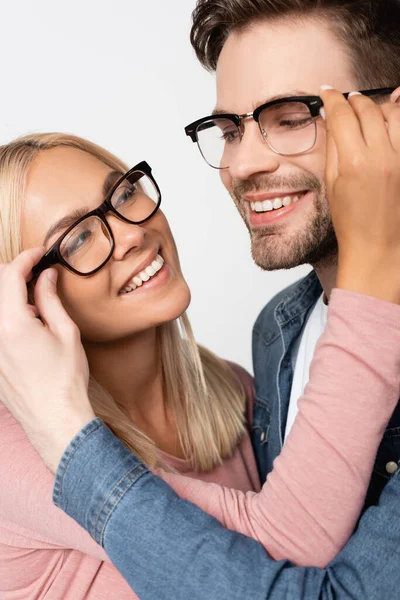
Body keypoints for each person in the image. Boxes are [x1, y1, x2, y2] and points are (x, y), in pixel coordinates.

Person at [2, 1, 400, 598]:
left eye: (290, 117)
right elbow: (289, 552)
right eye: (232, 130)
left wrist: (66, 438)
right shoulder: (281, 336)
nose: (241, 164)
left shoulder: (235, 396)